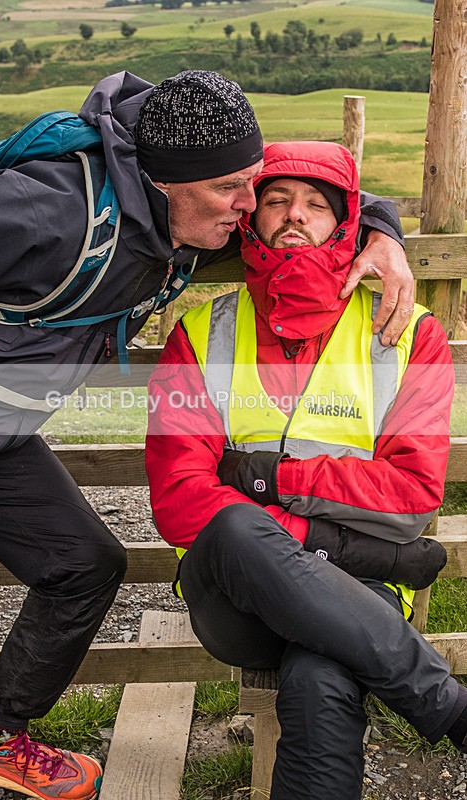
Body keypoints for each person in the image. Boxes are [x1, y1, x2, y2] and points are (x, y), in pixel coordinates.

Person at [0, 70, 410, 800]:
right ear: (160, 183)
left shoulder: (190, 196)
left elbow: (299, 187)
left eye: (250, 185)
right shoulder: (44, 212)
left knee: (85, 565)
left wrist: (379, 227)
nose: (250, 207)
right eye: (233, 191)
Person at [145, 140, 466, 800]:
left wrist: (265, 476)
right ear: (250, 217)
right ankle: (447, 708)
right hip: (237, 597)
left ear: (347, 223)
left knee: (320, 681)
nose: (295, 215)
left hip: (361, 597)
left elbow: (410, 499)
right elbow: (181, 502)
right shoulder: (199, 335)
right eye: (276, 200)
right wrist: (320, 540)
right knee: (231, 530)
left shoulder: (410, 336)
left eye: (317, 204)